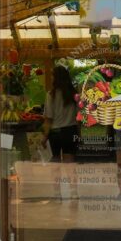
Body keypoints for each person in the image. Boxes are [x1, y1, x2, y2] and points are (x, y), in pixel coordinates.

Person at [42, 65, 78, 199]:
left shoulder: (51, 94)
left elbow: (48, 118)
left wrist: (45, 136)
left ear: (56, 78)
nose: (51, 77)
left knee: (55, 165)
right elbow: (79, 117)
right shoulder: (74, 94)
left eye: (52, 75)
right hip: (70, 131)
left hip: (56, 133)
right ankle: (74, 192)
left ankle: (57, 194)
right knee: (70, 164)